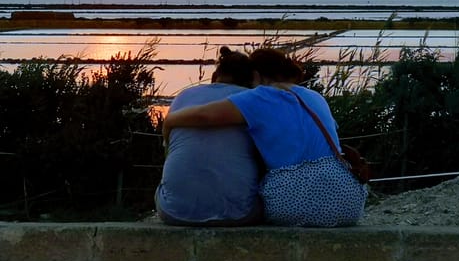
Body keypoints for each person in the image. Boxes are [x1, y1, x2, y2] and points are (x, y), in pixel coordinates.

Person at [162, 48, 367, 227]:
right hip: (348, 202)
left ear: (257, 75)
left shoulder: (259, 97)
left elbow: (203, 116)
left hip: (292, 203)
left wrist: (169, 121)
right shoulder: (315, 97)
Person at [155, 47, 264, 226]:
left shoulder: (184, 96)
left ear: (215, 76)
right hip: (238, 214)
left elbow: (168, 149)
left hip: (173, 212)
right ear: (250, 79)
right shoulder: (251, 100)